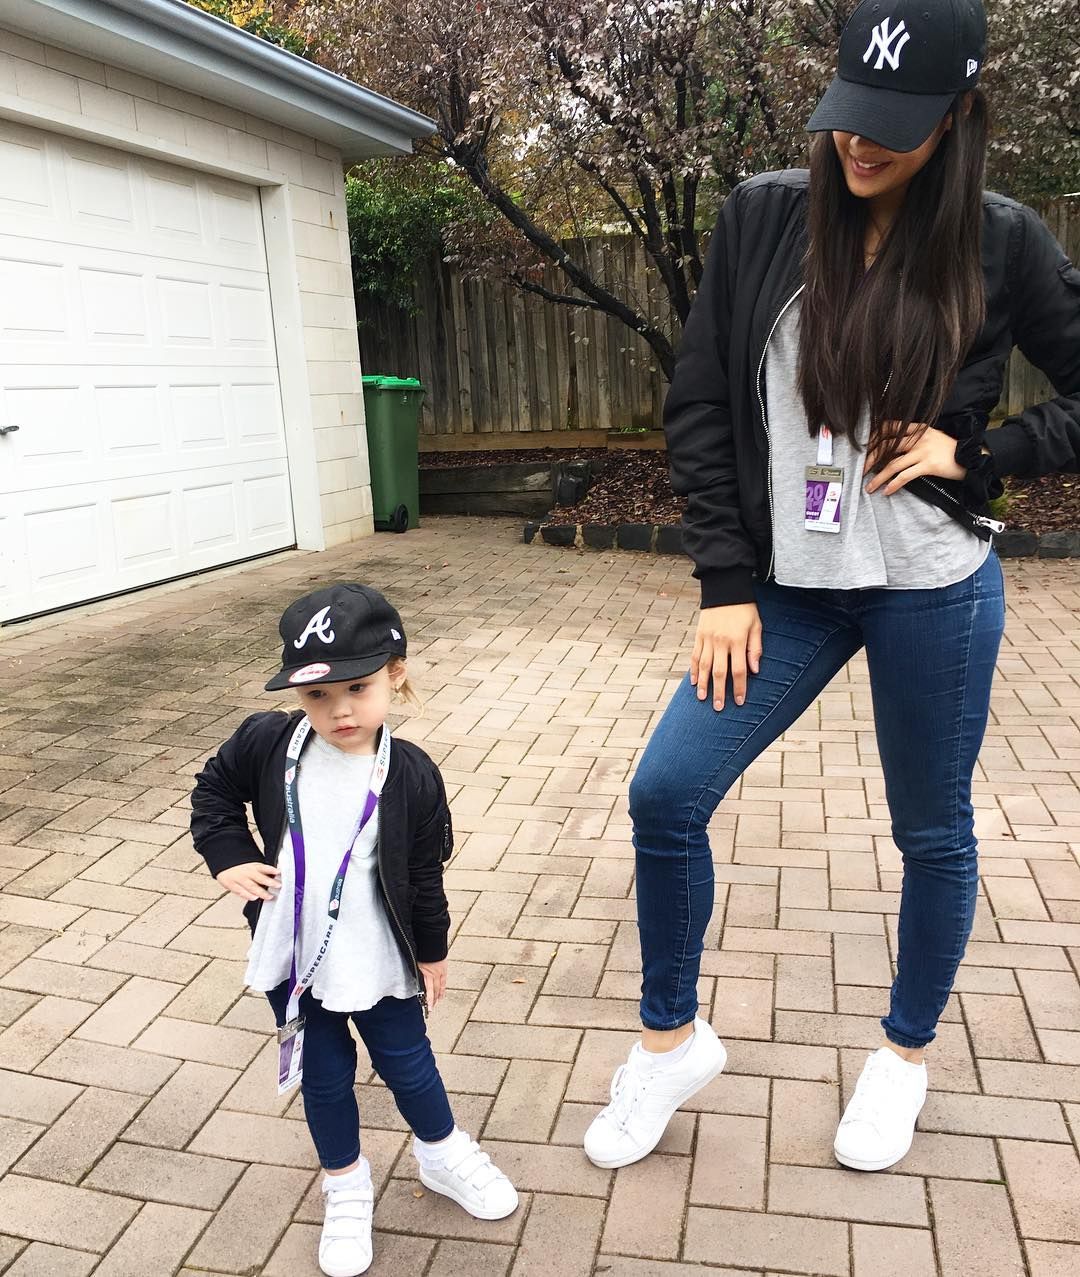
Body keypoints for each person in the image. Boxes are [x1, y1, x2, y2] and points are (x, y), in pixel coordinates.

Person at [584, 0, 1080, 1175]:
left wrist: (984, 450)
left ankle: (902, 1056)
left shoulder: (999, 240)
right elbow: (701, 401)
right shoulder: (764, 214)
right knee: (667, 792)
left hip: (931, 586)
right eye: (851, 112)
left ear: (956, 115)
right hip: (789, 587)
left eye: (894, 124)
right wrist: (723, 582)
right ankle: (670, 1041)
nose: (860, 142)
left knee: (932, 831)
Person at [191, 584, 517, 1277]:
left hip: (376, 954)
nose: (340, 710)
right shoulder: (267, 742)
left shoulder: (411, 774)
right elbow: (213, 789)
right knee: (325, 1073)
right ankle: (345, 1182)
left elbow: (425, 874)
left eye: (358, 688)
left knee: (407, 1060)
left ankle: (442, 1152)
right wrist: (228, 853)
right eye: (318, 695)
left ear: (395, 674)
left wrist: (432, 950)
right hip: (295, 955)